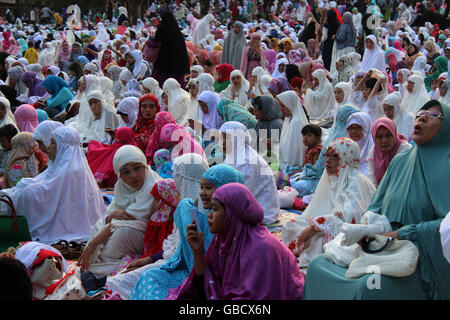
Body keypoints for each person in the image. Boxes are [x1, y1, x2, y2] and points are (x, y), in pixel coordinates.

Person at [303, 100, 450, 300]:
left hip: (421, 255)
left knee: (367, 286)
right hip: (382, 244)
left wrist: (401, 234)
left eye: (434, 115)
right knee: (318, 265)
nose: (422, 116)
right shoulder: (401, 161)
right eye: (421, 112)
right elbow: (375, 205)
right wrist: (367, 227)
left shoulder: (447, 165)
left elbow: (445, 229)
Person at [106, 163, 245, 300]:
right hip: (190, 272)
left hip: (206, 281)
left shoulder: (234, 228)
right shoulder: (192, 211)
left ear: (227, 190)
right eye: (201, 187)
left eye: (208, 188)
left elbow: (219, 274)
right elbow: (181, 255)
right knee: (149, 277)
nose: (202, 192)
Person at [166, 183, 304, 300]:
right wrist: (197, 252)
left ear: (231, 214)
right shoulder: (222, 241)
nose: (209, 214)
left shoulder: (262, 248)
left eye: (214, 209)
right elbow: (207, 285)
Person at [0, 126, 105, 245]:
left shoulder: (70, 170)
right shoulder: (65, 166)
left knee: (21, 196)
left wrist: (20, 193)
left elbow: (46, 192)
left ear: (62, 147)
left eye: (53, 143)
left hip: (65, 226)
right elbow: (44, 182)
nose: (48, 148)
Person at [282, 137, 376, 270]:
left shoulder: (355, 182)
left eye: (334, 156)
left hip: (347, 230)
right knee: (291, 225)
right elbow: (318, 207)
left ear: (346, 158)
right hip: (328, 222)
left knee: (319, 242)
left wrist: (315, 226)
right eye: (326, 155)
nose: (328, 160)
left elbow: (351, 218)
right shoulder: (333, 177)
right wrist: (315, 225)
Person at [128, 153, 210, 300]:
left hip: (186, 273)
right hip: (180, 268)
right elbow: (176, 250)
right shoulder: (190, 206)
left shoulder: (190, 208)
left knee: (137, 278)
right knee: (135, 276)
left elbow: (179, 258)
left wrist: (151, 262)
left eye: (176, 176)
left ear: (183, 178)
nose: (174, 180)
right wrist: (150, 260)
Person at [78, 145, 162, 277]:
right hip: (124, 235)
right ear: (119, 175)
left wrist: (92, 245)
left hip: (149, 240)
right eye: (126, 172)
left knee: (123, 231)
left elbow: (126, 220)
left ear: (145, 166)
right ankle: (105, 265)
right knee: (104, 226)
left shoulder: (154, 186)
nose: (133, 176)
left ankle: (99, 265)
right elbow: (109, 217)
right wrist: (110, 217)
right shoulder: (122, 188)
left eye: (137, 168)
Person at [289, 104, 358, 197]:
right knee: (291, 181)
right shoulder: (335, 133)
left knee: (294, 184)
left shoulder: (348, 137)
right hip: (317, 172)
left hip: (334, 178)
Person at [219, 121, 279, 225]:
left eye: (227, 138)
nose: (223, 142)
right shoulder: (233, 155)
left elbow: (240, 194)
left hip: (263, 211)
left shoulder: (247, 161)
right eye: (222, 138)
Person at [366, 118, 412, 187]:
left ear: (394, 133)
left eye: (388, 135)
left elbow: (403, 180)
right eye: (379, 137)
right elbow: (372, 182)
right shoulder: (374, 151)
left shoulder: (405, 149)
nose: (384, 140)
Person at [151, 11, 190, 88]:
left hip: (163, 63)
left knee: (162, 86)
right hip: (177, 65)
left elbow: (156, 43)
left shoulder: (161, 29)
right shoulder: (177, 32)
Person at [276, 91, 309, 172]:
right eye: (280, 105)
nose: (281, 109)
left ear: (290, 104)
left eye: (283, 105)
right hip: (286, 162)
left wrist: (274, 147)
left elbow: (294, 154)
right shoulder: (288, 119)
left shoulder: (296, 122)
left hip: (293, 166)